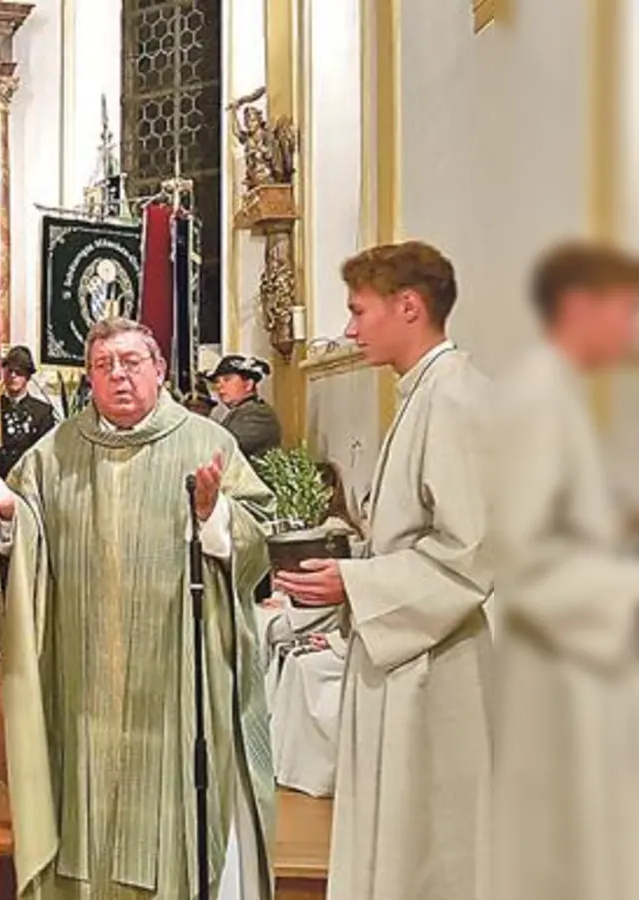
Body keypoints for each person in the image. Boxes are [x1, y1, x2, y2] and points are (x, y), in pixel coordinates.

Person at [0, 316, 277, 899]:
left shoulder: (209, 444)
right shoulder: (53, 454)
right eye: (104, 366)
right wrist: (10, 514)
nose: (119, 376)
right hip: (81, 687)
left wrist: (213, 516)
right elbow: (32, 533)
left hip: (176, 685)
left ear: (158, 370)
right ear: (88, 379)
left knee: (171, 814)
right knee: (83, 808)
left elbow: (258, 537)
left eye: (132, 362)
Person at [275, 241, 492, 900]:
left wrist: (356, 582)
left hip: (433, 669)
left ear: (408, 306)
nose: (347, 330)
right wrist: (355, 576)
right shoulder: (422, 393)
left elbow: (470, 553)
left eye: (357, 311)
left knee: (428, 853)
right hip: (402, 656)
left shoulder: (454, 398)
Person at [488, 242, 639, 900]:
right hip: (559, 668)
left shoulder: (559, 393)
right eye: (628, 309)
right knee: (558, 859)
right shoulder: (536, 397)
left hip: (581, 658)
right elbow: (519, 552)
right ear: (580, 306)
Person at [0, 346, 59, 479]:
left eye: (19, 372)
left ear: (28, 376)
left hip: (26, 481)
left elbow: (45, 455)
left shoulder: (42, 412)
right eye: (9, 371)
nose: (13, 376)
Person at [205, 354, 282, 460]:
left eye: (227, 379)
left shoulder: (258, 414)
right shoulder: (242, 411)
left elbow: (224, 448)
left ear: (248, 385)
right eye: (218, 381)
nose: (219, 386)